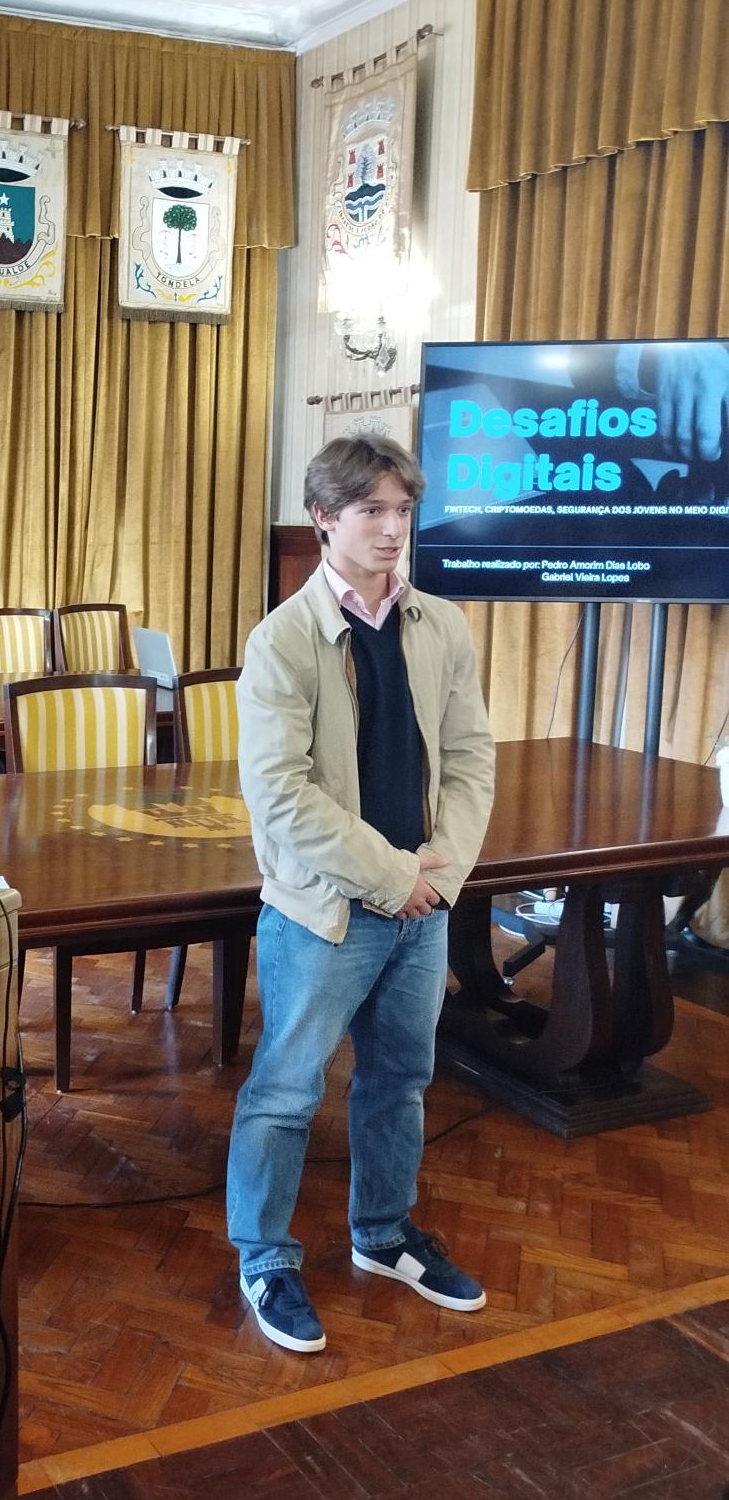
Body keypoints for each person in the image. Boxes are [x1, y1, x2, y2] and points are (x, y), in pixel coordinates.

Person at [227, 433, 495, 1354]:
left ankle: (382, 1235)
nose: (392, 528)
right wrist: (393, 878)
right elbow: (281, 795)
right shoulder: (282, 640)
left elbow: (470, 760)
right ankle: (265, 1256)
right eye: (371, 510)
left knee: (401, 1081)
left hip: (421, 907)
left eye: (402, 510)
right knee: (285, 1092)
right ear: (323, 518)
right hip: (326, 912)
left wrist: (440, 877)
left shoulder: (441, 626)